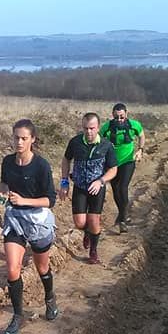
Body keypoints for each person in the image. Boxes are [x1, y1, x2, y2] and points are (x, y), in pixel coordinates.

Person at [0, 118, 59, 334]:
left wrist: (25, 201)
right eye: (15, 138)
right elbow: (4, 184)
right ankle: (18, 315)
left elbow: (50, 200)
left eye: (23, 138)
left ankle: (49, 298)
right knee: (12, 268)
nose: (18, 142)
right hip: (15, 220)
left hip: (38, 220)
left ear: (32, 139)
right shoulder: (7, 162)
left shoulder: (41, 166)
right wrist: (1, 195)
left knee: (42, 267)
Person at [60, 112, 118, 265]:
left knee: (94, 220)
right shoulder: (75, 142)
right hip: (79, 186)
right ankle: (87, 233)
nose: (89, 132)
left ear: (98, 128)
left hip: (97, 188)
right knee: (79, 222)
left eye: (92, 128)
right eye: (85, 128)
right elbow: (66, 159)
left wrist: (101, 181)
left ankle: (93, 249)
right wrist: (64, 182)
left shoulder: (106, 145)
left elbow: (113, 169)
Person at [100, 103, 145, 232]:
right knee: (115, 189)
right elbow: (99, 140)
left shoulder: (134, 125)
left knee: (122, 186)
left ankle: (122, 218)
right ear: (112, 115)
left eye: (121, 117)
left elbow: (141, 135)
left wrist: (140, 150)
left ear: (126, 114)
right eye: (116, 117)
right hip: (112, 163)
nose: (119, 120)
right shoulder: (107, 127)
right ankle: (122, 214)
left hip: (128, 161)